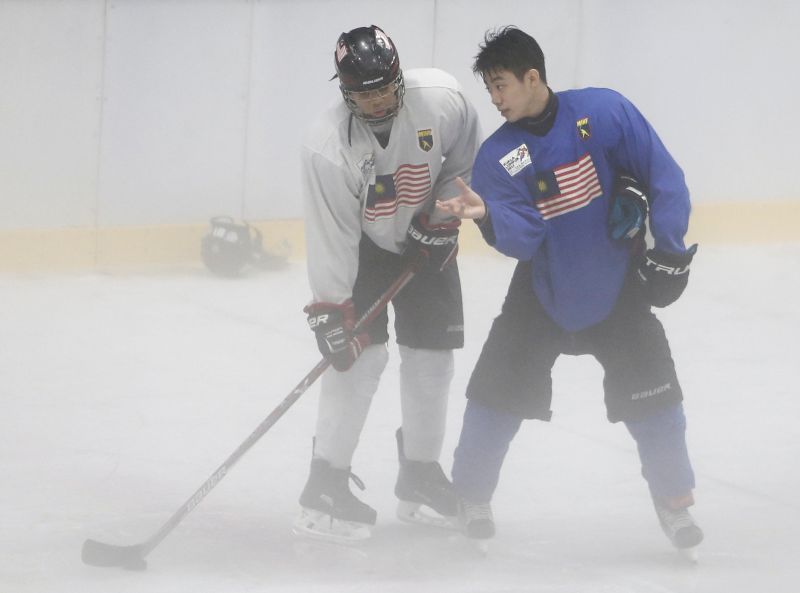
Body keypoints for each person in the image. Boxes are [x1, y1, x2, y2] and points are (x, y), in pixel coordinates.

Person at [436, 26, 703, 557]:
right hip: (543, 291)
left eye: (502, 85)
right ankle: (470, 495)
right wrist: (487, 213)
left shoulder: (604, 113)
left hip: (617, 286)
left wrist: (669, 250)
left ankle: (675, 501)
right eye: (489, 89)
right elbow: (526, 236)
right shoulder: (501, 156)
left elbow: (663, 176)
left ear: (532, 76)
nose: (495, 98)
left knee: (657, 398)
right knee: (495, 393)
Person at [296, 25, 481, 543]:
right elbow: (331, 233)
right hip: (364, 248)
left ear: (399, 79)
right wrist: (331, 311)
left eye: (384, 88)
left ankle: (419, 474)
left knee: (433, 359)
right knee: (358, 358)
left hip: (428, 235)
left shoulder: (442, 100)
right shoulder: (327, 147)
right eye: (363, 93)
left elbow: (466, 160)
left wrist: (444, 216)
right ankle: (325, 482)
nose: (376, 102)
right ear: (345, 92)